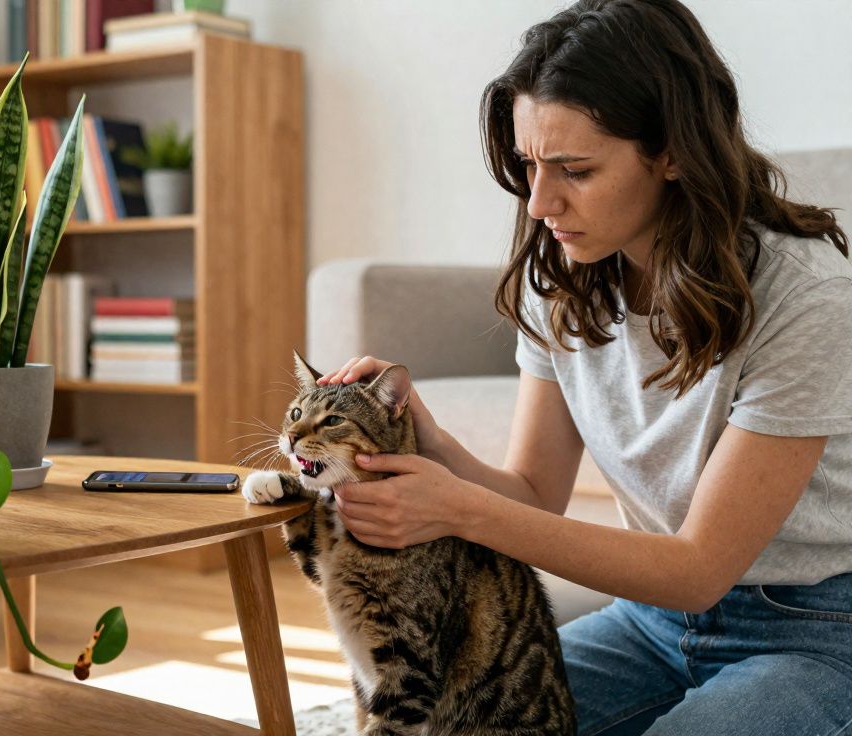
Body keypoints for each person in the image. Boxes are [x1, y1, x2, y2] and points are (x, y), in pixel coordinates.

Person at [316, 1, 852, 733]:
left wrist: (457, 508)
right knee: (458, 718)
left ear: (673, 152)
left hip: (813, 629)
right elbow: (535, 495)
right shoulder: (565, 280)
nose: (540, 203)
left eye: (575, 169)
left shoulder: (805, 296)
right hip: (650, 620)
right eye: (529, 165)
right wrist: (429, 442)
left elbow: (699, 570)